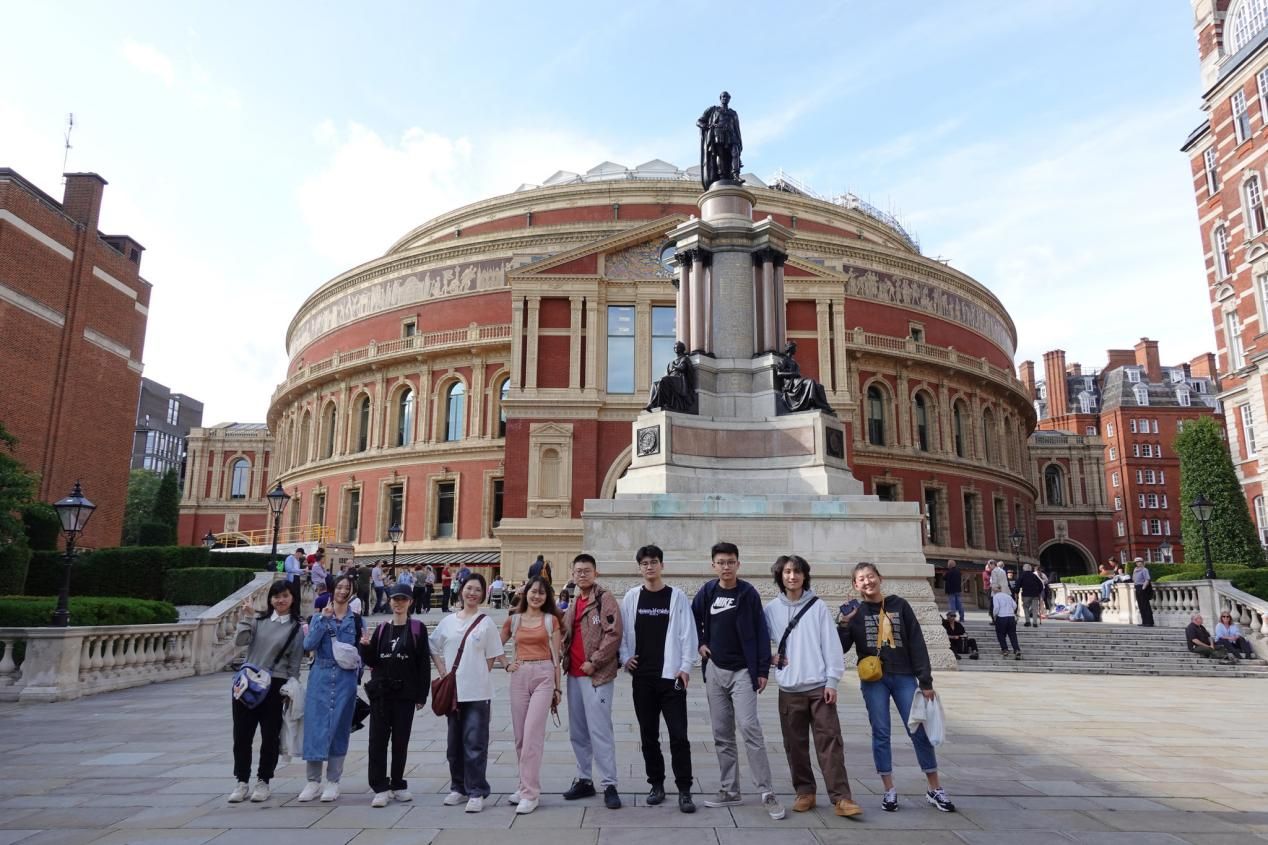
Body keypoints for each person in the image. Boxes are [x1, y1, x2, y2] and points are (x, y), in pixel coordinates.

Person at [838, 562, 955, 813]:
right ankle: (889, 790)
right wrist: (844, 623)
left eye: (871, 576)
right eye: (861, 579)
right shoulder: (855, 612)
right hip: (874, 680)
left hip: (904, 676)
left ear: (880, 578)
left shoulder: (899, 605)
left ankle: (934, 787)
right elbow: (841, 648)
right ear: (855, 585)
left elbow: (916, 642)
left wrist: (925, 681)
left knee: (918, 730)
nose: (867, 582)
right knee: (881, 732)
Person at [691, 542, 784, 821]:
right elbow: (691, 619)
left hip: (743, 671)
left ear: (738, 564)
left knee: (749, 727)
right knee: (722, 733)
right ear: (713, 565)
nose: (726, 567)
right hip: (715, 670)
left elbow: (760, 631)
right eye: (721, 562)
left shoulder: (748, 593)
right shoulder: (707, 592)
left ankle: (766, 791)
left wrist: (762, 670)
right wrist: (700, 642)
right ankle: (730, 790)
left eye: (730, 562)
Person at [764, 554, 862, 818]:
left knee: (830, 743)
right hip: (789, 688)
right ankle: (805, 792)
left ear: (805, 576)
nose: (792, 576)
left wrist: (832, 681)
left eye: (797, 571)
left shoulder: (817, 607)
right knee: (794, 745)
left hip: (819, 687)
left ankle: (841, 798)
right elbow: (758, 641)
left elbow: (831, 645)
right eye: (787, 572)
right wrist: (768, 658)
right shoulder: (771, 609)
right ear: (780, 576)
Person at [619, 544, 698, 814]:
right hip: (643, 678)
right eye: (645, 563)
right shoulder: (632, 597)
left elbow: (688, 633)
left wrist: (685, 666)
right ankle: (656, 784)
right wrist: (625, 657)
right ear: (639, 568)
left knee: (679, 736)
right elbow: (623, 633)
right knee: (649, 735)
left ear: (662, 565)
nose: (649, 567)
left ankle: (685, 789)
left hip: (671, 678)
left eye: (654, 562)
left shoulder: (677, 596)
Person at [227, 579, 306, 803]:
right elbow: (240, 641)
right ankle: (242, 781)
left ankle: (264, 780)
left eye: (285, 596)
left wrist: (290, 690)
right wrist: (247, 617)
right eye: (276, 596)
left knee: (270, 737)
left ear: (293, 598)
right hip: (246, 684)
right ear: (270, 599)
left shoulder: (296, 628)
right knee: (242, 736)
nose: (280, 600)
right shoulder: (259, 621)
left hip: (274, 686)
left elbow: (294, 664)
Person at [429, 573, 502, 812]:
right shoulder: (448, 622)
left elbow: (492, 655)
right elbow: (432, 645)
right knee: (454, 744)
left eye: (478, 590)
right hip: (454, 692)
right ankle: (458, 787)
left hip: (478, 692)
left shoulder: (486, 622)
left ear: (483, 594)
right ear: (461, 590)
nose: (472, 593)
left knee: (475, 743)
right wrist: (442, 670)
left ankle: (476, 790)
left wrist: (477, 674)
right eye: (469, 588)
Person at [560, 554, 623, 809]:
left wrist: (594, 661)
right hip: (574, 675)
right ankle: (584, 779)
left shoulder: (604, 599)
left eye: (587, 570)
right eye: (578, 571)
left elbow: (614, 634)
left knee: (600, 730)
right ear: (573, 574)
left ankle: (609, 784)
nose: (582, 574)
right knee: (578, 732)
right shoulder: (575, 602)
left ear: (596, 573)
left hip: (596, 676)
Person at [360, 583, 430, 807]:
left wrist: (422, 695)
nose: (399, 603)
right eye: (395, 599)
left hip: (405, 693)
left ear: (410, 602)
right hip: (381, 694)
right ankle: (380, 786)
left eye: (403, 599)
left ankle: (398, 783)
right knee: (377, 741)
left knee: (401, 741)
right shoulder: (382, 629)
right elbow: (373, 661)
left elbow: (423, 664)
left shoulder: (418, 629)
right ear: (389, 602)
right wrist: (365, 647)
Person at [500, 575, 564, 815]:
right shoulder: (513, 620)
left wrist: (558, 688)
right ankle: (523, 785)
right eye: (533, 591)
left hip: (544, 675)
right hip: (519, 674)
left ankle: (530, 793)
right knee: (520, 737)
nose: (536, 596)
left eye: (542, 593)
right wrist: (506, 664)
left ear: (547, 597)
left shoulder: (551, 620)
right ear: (525, 593)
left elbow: (557, 658)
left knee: (532, 735)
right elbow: (495, 645)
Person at [298, 575, 363, 803]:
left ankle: (333, 781)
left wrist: (357, 676)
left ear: (352, 591)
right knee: (315, 728)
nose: (343, 591)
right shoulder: (318, 617)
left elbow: (360, 652)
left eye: (347, 588)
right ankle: (313, 781)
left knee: (339, 728)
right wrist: (323, 620)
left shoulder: (356, 620)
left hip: (345, 679)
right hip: (321, 675)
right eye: (339, 587)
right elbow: (308, 645)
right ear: (332, 589)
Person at [645, 341, 698, 413]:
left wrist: (674, 367)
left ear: (681, 349)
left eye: (677, 347)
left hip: (679, 379)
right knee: (654, 384)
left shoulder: (684, 358)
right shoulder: (671, 362)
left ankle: (659, 403)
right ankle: (650, 404)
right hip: (671, 378)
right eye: (675, 347)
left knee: (664, 380)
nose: (675, 348)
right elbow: (667, 373)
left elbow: (682, 368)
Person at [992, 588, 1021, 660]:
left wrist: (994, 615)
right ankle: (1016, 649)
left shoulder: (996, 597)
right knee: (1012, 634)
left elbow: (996, 607)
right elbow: (1015, 605)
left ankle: (1005, 649)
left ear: (993, 591)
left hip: (1001, 617)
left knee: (1000, 634)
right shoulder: (1008, 596)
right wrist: (1010, 611)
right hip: (1011, 617)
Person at [1133, 558, 1155, 627]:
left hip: (1142, 588)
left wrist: (1143, 588)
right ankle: (1144, 621)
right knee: (1141, 606)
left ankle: (1149, 622)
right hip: (1137, 587)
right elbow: (1134, 579)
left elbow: (1147, 579)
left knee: (1145, 605)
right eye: (1136, 562)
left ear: (1142, 562)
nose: (1138, 563)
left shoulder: (1144, 570)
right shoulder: (1135, 570)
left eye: (1139, 562)